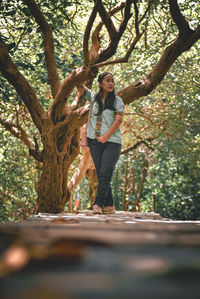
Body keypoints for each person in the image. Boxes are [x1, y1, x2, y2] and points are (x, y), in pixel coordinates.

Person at [77, 72, 124, 214]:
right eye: (107, 81)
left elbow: (118, 120)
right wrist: (86, 69)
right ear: (100, 84)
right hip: (94, 142)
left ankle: (97, 204)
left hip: (112, 142)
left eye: (112, 81)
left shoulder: (117, 100)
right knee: (101, 173)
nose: (111, 84)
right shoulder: (93, 98)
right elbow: (79, 85)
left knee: (105, 172)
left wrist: (105, 136)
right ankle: (109, 206)